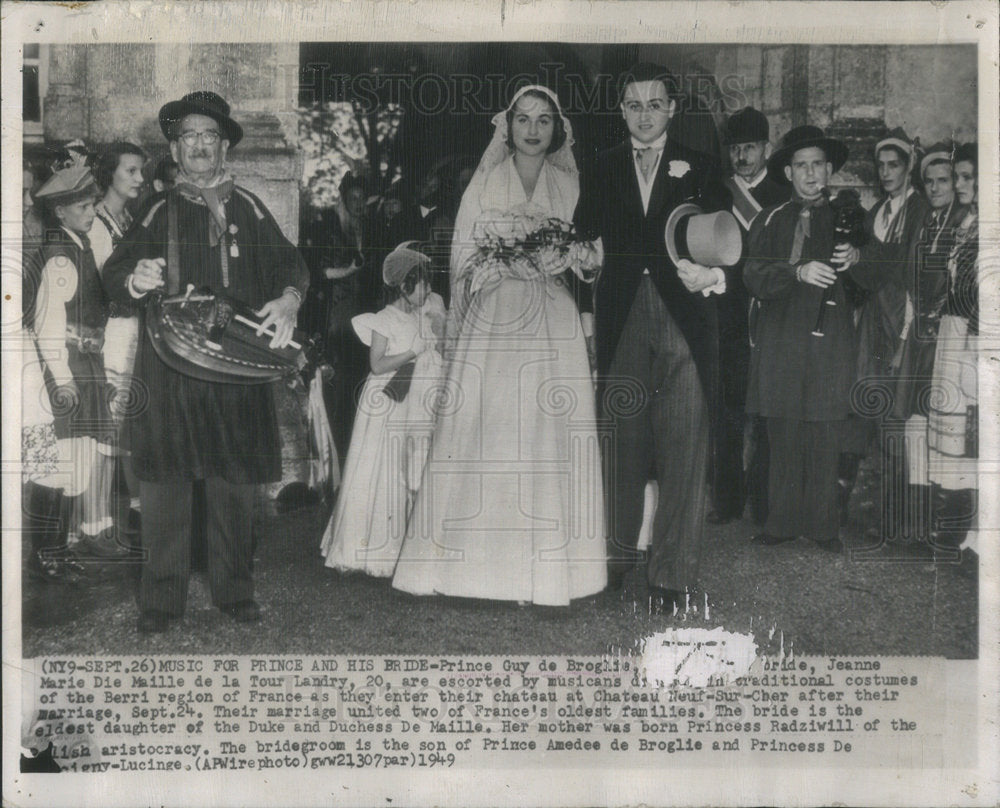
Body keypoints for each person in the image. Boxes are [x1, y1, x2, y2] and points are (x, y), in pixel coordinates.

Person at [392, 85, 607, 606]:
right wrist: (499, 265)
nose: (533, 129)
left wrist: (574, 259)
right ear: (507, 126)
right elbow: (463, 255)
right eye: (524, 119)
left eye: (544, 120)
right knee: (489, 428)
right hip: (495, 320)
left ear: (558, 129)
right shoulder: (485, 182)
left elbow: (596, 254)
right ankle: (473, 569)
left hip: (552, 317)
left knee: (547, 430)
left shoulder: (572, 182)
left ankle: (552, 572)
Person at [102, 91, 309, 633]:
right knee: (166, 488)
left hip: (236, 370)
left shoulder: (250, 206)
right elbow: (116, 270)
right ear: (174, 147)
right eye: (188, 136)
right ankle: (161, 603)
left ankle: (235, 592)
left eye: (209, 136)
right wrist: (135, 277)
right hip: (170, 367)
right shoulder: (157, 208)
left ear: (224, 148)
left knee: (236, 486)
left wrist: (289, 297)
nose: (198, 145)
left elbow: (290, 261)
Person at [575, 63, 729, 613]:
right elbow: (585, 246)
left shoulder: (704, 168)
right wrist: (587, 267)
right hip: (622, 320)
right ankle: (615, 560)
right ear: (622, 111)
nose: (644, 115)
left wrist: (710, 276)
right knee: (621, 442)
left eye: (654, 104)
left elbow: (730, 243)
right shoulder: (600, 167)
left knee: (685, 446)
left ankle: (672, 575)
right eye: (633, 105)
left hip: (685, 322)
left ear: (671, 109)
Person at [744, 125, 882, 552]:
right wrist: (796, 272)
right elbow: (751, 274)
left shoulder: (852, 218)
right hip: (782, 337)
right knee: (784, 429)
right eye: (801, 165)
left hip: (830, 339)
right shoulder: (769, 219)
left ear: (828, 169)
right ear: (787, 172)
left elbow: (875, 274)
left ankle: (824, 527)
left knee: (824, 431)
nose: (809, 173)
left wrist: (857, 257)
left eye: (817, 164)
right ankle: (781, 521)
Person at [320, 243, 445, 576]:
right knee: (382, 470)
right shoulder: (382, 320)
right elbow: (377, 366)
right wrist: (410, 354)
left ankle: (409, 543)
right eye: (423, 285)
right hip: (387, 401)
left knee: (412, 468)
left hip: (415, 400)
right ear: (404, 286)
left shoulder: (424, 317)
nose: (428, 291)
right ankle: (371, 548)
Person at [32, 164, 124, 560]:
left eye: (92, 205)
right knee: (64, 461)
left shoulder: (78, 245)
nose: (91, 213)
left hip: (87, 362)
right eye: (84, 207)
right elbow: (48, 324)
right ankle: (49, 554)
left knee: (81, 456)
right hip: (69, 365)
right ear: (61, 212)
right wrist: (63, 378)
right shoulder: (60, 257)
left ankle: (62, 548)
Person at [838, 130, 929, 529]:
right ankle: (841, 501)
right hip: (874, 322)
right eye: (881, 165)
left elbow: (904, 269)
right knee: (861, 405)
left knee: (896, 416)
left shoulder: (920, 211)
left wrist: (904, 338)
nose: (887, 172)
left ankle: (899, 518)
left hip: (902, 323)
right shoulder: (878, 212)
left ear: (909, 168)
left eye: (895, 165)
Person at [717, 106, 791, 526]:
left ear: (766, 147)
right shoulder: (719, 191)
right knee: (727, 409)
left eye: (750, 148)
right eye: (736, 149)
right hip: (726, 312)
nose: (742, 157)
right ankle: (727, 501)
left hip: (768, 316)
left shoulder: (783, 194)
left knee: (766, 413)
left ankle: (765, 504)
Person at [889, 143, 966, 546]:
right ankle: (915, 524)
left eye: (944, 180)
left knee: (945, 431)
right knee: (914, 429)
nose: (936, 188)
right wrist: (903, 342)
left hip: (948, 344)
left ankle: (946, 527)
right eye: (929, 181)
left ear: (955, 183)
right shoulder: (924, 225)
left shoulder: (964, 224)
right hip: (918, 341)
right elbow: (909, 294)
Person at [91, 142, 148, 536]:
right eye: (131, 171)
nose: (139, 179)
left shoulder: (129, 220)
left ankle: (138, 507)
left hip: (135, 332)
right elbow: (100, 285)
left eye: (141, 171)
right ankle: (96, 522)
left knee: (133, 418)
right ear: (110, 173)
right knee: (108, 423)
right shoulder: (95, 224)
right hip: (110, 333)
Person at [926, 142, 978, 549]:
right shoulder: (968, 223)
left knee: (974, 432)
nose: (959, 184)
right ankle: (952, 527)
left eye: (966, 177)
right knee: (953, 433)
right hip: (954, 332)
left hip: (977, 338)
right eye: (956, 176)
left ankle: (972, 533)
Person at [300, 171, 373, 459]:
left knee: (358, 382)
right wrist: (347, 271)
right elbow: (315, 269)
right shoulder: (328, 228)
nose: (358, 204)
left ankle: (355, 450)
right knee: (336, 385)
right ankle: (333, 452)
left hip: (360, 315)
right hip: (334, 316)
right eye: (353, 199)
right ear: (343, 200)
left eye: (362, 199)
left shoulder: (367, 228)